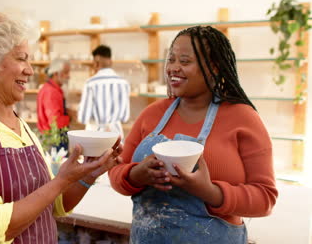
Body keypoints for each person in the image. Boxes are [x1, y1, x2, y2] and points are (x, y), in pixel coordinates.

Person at [0, 12, 123, 244]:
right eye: (21, 59)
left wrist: (90, 172)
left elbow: (55, 205)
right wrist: (61, 180)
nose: (30, 70)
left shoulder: (22, 127)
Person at [108, 26, 278, 243]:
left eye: (185, 61)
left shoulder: (243, 118)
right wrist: (136, 175)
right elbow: (117, 172)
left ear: (214, 68)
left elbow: (266, 198)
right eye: (171, 60)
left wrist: (210, 191)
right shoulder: (152, 114)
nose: (173, 68)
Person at [77, 45, 130, 139]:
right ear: (111, 61)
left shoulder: (90, 83)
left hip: (95, 135)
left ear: (96, 62)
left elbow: (83, 118)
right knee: (115, 154)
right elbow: (125, 117)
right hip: (116, 135)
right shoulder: (123, 83)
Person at [36, 58, 71, 152]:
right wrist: (70, 117)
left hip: (52, 137)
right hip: (53, 139)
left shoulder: (52, 89)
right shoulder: (51, 92)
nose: (69, 76)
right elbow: (54, 122)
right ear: (56, 73)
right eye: (66, 73)